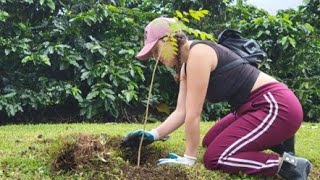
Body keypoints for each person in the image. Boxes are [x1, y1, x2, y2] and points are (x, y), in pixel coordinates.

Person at [121, 17, 311, 180]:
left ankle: (289, 165)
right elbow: (182, 111)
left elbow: (194, 114)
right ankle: (277, 140)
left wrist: (188, 158)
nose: (156, 58)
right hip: (250, 109)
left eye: (156, 50)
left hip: (276, 106)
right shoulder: (186, 65)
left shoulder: (199, 53)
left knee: (215, 158)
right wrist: (153, 135)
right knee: (209, 142)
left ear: (170, 40)